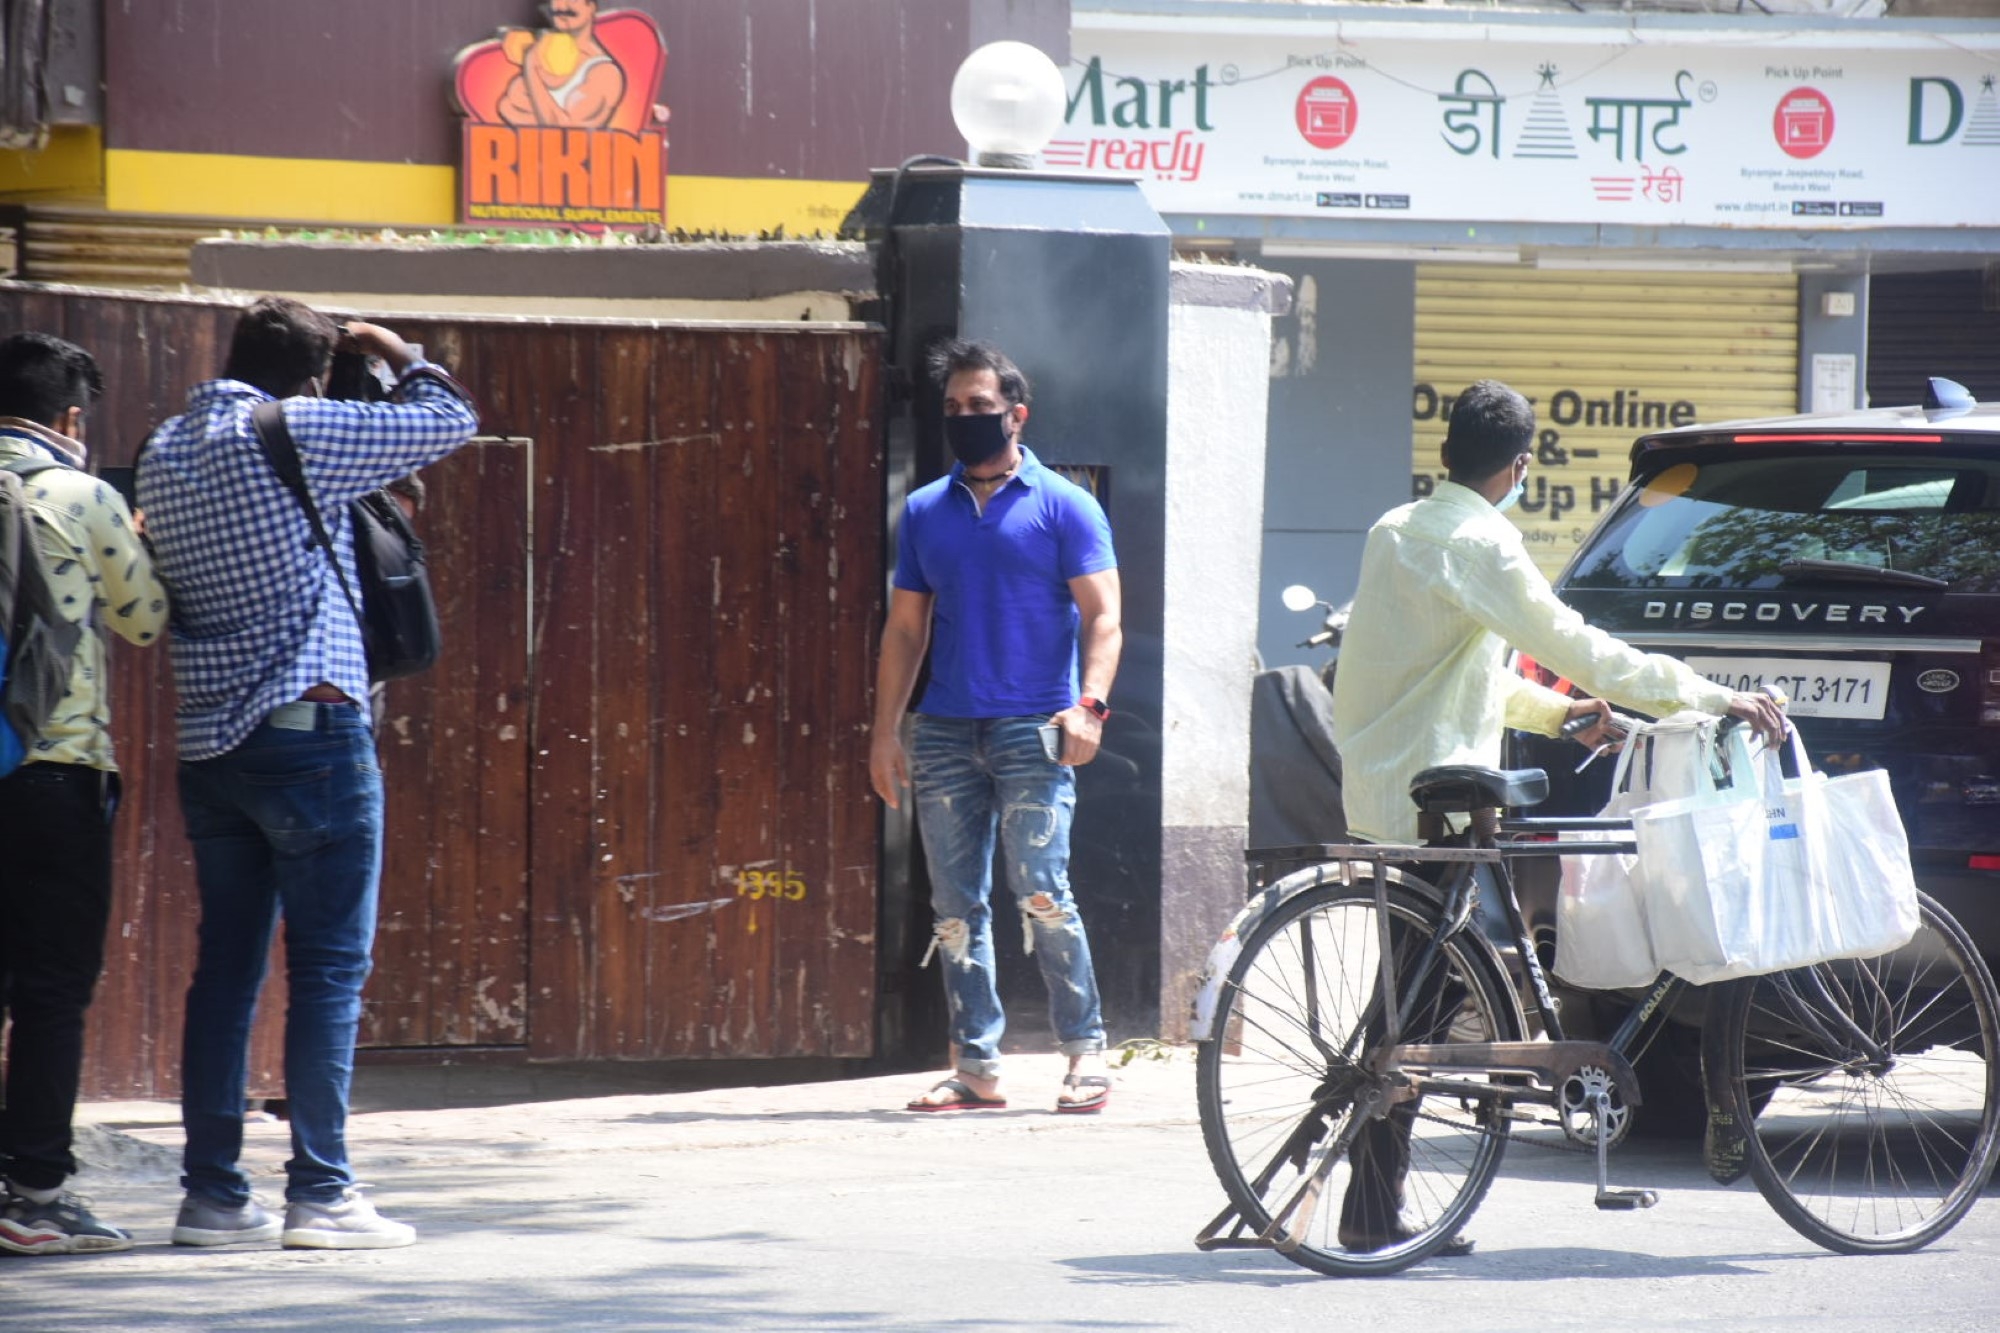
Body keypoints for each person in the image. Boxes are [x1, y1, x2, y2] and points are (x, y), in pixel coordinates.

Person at [1328, 378, 1787, 1254]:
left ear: (1446, 451)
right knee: (1426, 1007)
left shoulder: (1398, 529)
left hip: (1379, 793)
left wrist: (1557, 714)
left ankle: (1368, 1209)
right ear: (1521, 465)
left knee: (1414, 994)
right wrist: (1716, 694)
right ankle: (1369, 1205)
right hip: (1442, 800)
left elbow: (1442, 674)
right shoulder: (1483, 543)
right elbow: (1578, 647)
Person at [136, 298, 478, 1250]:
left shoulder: (168, 443)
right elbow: (450, 419)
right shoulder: (296, 427)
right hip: (311, 732)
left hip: (212, 741)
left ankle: (211, 1195)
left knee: (226, 973)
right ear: (316, 375)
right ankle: (322, 1193)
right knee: (329, 971)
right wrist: (400, 351)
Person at [870, 339, 1122, 1115]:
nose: (965, 420)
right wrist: (884, 732)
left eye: (980, 407)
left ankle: (1086, 1054)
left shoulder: (1065, 504)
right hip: (943, 732)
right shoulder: (923, 511)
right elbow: (906, 630)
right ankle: (976, 1066)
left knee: (1043, 891)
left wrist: (1090, 705)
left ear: (1017, 414)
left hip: (1034, 728)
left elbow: (1104, 615)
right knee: (954, 909)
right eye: (953, 408)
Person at [0, 334, 166, 1255]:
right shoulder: (82, 494)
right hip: (55, 771)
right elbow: (143, 621)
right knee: (53, 990)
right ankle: (33, 1192)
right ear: (70, 418)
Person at [498, 0, 626, 128]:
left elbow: (564, 134)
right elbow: (506, 108)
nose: (562, 6)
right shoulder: (541, 51)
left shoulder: (605, 72)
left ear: (591, 7)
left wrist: (531, 67)